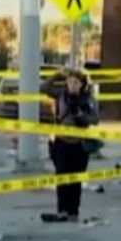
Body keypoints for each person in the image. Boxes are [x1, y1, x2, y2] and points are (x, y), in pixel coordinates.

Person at [42, 67, 98, 223]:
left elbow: (95, 119)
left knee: (75, 180)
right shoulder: (61, 95)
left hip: (79, 145)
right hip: (62, 143)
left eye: (76, 83)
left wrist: (81, 116)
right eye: (70, 82)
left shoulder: (88, 99)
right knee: (62, 177)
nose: (73, 85)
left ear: (82, 85)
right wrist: (58, 74)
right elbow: (44, 87)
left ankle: (74, 212)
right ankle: (62, 211)